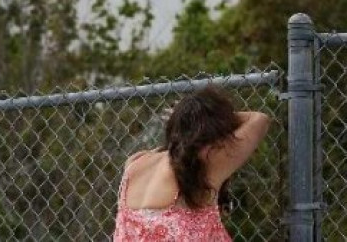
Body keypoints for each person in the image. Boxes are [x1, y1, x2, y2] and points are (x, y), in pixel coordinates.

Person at [113, 86, 270, 241]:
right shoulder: (203, 164)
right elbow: (259, 120)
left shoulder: (135, 162)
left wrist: (184, 116)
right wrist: (213, 117)